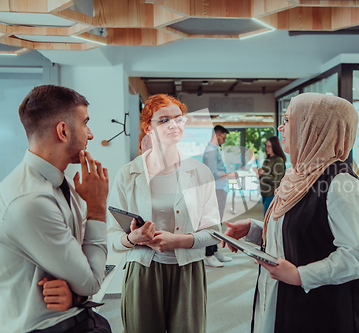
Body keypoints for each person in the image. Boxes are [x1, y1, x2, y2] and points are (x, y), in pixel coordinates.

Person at [224, 93, 359, 333]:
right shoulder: (297, 175)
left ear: (312, 127)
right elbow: (301, 229)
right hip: (280, 297)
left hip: (320, 310)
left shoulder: (341, 184)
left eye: (287, 120)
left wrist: (300, 275)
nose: (280, 127)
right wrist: (255, 230)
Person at [0, 85, 110, 333]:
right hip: (49, 327)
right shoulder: (31, 200)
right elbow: (91, 281)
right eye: (85, 123)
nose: (90, 134)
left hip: (76, 315)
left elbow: (82, 267)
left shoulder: (64, 182)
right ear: (63, 130)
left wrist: (76, 296)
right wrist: (97, 208)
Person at [107, 94, 221, 333]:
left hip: (188, 271)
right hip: (142, 270)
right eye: (164, 120)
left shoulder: (200, 173)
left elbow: (214, 234)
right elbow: (112, 237)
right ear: (148, 127)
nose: (173, 125)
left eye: (179, 119)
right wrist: (131, 238)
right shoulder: (128, 174)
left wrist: (179, 241)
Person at [202, 124, 236, 267]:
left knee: (217, 222)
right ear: (217, 135)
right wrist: (230, 175)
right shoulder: (211, 151)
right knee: (213, 222)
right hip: (215, 190)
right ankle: (209, 254)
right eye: (223, 137)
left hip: (219, 189)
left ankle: (214, 251)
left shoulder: (214, 150)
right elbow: (213, 174)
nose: (224, 140)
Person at [254, 136, 286, 216]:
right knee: (266, 217)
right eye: (266, 146)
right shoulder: (267, 159)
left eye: (269, 146)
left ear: (275, 147)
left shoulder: (279, 160)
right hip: (265, 192)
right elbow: (265, 173)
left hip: (271, 193)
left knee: (268, 217)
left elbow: (276, 179)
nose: (266, 148)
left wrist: (262, 173)